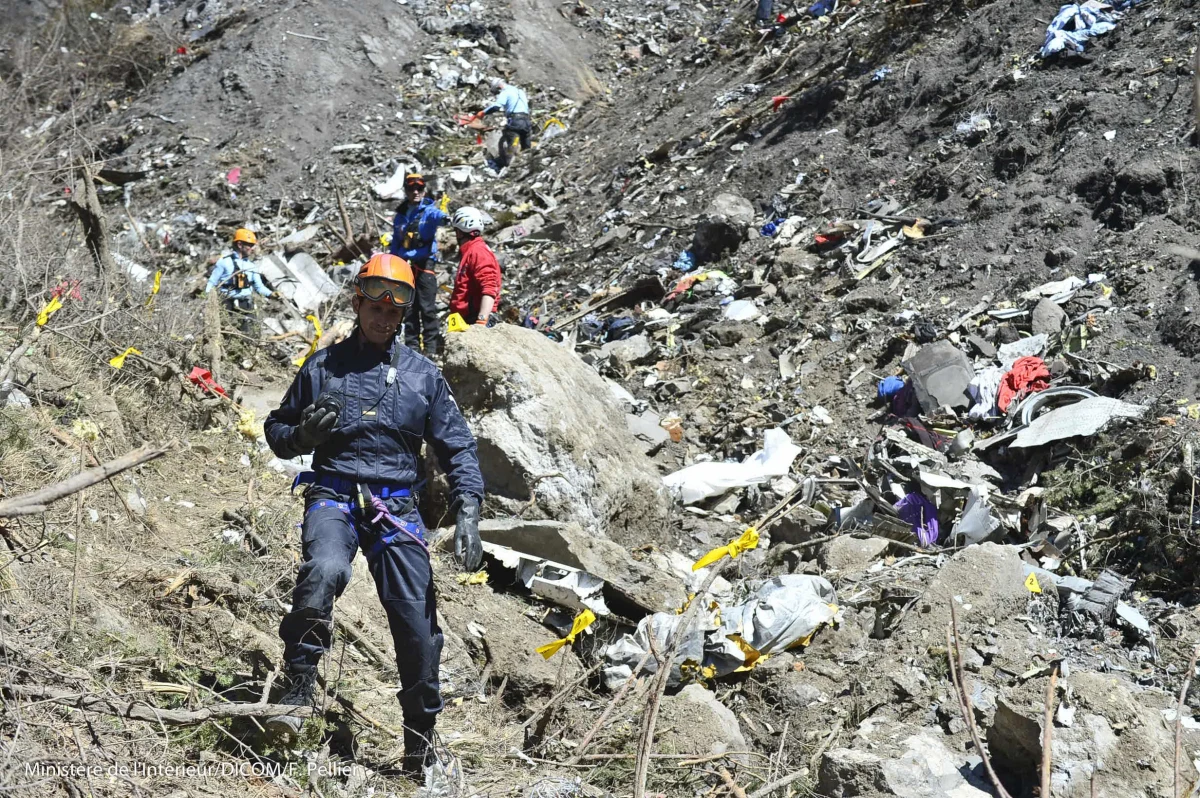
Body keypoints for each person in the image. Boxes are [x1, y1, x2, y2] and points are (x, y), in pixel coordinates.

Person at [262, 253, 484, 775]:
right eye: (374, 307)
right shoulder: (322, 366)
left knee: (415, 619)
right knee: (324, 570)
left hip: (396, 507)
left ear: (403, 315)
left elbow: (459, 447)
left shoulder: (422, 377)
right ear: (358, 302)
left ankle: (419, 742)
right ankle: (296, 692)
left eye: (394, 311)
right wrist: (303, 438)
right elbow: (277, 431)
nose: (383, 319)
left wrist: (469, 509)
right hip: (333, 495)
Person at [389, 173, 449, 357]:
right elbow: (395, 242)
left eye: (420, 188)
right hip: (405, 264)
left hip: (424, 263)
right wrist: (392, 264)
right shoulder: (400, 215)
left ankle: (430, 349)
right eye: (411, 188)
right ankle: (412, 348)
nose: (415, 192)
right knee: (409, 307)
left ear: (424, 190)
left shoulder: (429, 211)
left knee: (427, 306)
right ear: (405, 191)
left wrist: (448, 219)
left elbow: (439, 216)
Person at [205, 228, 274, 330]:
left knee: (249, 336)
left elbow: (259, 287)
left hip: (247, 306)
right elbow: (212, 283)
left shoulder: (252, 266)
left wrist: (272, 294)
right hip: (228, 306)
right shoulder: (224, 262)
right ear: (240, 245)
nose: (253, 248)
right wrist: (208, 302)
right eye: (250, 245)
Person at [448, 208, 501, 326]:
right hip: (465, 318)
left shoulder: (477, 251)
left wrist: (482, 320)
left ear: (459, 232)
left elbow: (490, 286)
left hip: (475, 318)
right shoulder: (471, 250)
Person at [482, 78, 531, 170]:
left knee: (512, 144)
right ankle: (527, 164)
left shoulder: (505, 92)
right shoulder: (520, 91)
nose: (498, 93)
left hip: (515, 121)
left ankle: (508, 167)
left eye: (497, 91)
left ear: (499, 87)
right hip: (526, 121)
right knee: (526, 146)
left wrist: (483, 113)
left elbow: (497, 106)